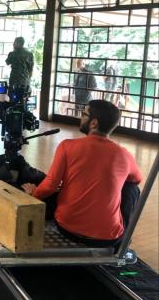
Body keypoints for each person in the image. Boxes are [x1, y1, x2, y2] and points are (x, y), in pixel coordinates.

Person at [22, 100, 142, 249]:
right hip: (106, 239)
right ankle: (123, 242)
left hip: (66, 229)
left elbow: (51, 185)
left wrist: (33, 194)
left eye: (84, 114)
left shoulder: (67, 146)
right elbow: (137, 179)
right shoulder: (124, 155)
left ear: (94, 123)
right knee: (132, 187)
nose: (81, 117)